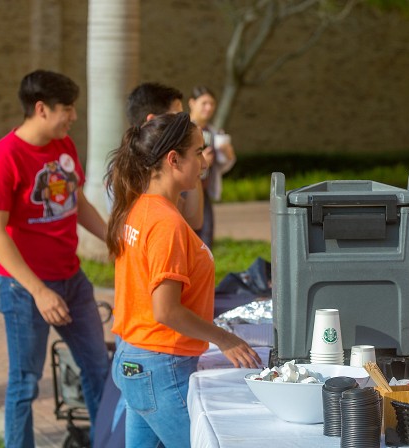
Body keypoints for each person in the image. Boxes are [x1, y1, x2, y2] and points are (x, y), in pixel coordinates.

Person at [105, 112, 260, 446]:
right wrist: (225, 339)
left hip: (137, 360)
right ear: (173, 159)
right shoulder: (165, 223)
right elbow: (166, 311)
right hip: (159, 365)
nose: (205, 161)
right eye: (199, 152)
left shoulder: (140, 208)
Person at [0, 70, 110, 448]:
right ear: (41, 109)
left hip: (72, 281)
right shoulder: (3, 157)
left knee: (98, 370)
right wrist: (39, 292)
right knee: (25, 384)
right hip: (25, 290)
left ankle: (106, 441)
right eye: (67, 109)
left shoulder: (64, 145)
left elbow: (78, 203)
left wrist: (114, 239)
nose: (73, 116)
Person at [106, 82, 204, 231]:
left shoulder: (175, 167)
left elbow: (194, 221)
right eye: (176, 118)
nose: (184, 125)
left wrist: (194, 160)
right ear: (152, 121)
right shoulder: (128, 171)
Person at [188, 86, 236, 250]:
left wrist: (228, 155)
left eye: (212, 104)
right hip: (184, 191)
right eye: (204, 103)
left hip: (204, 191)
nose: (208, 108)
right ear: (192, 103)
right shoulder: (182, 129)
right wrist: (202, 163)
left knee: (205, 238)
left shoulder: (214, 132)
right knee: (187, 236)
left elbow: (223, 164)